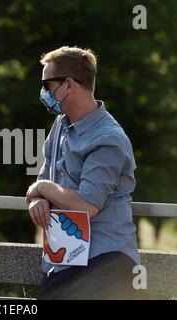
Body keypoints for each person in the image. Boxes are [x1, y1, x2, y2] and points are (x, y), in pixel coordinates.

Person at [25, 46, 141, 299]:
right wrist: (37, 197)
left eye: (47, 84)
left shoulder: (108, 138)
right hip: (65, 262)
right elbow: (45, 180)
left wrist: (41, 189)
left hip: (105, 263)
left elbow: (86, 205)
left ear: (68, 84)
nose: (43, 92)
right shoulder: (61, 125)